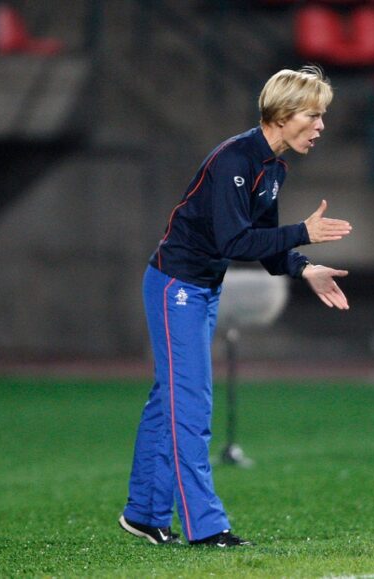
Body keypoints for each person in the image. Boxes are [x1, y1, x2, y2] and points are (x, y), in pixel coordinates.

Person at [118, 65, 351, 548]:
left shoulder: (274, 167)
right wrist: (303, 232)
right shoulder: (235, 160)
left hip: (201, 288)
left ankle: (144, 512)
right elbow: (234, 239)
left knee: (170, 402)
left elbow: (263, 246)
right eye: (314, 114)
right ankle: (206, 527)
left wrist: (304, 267)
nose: (321, 125)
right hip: (175, 286)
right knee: (191, 407)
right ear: (283, 114)